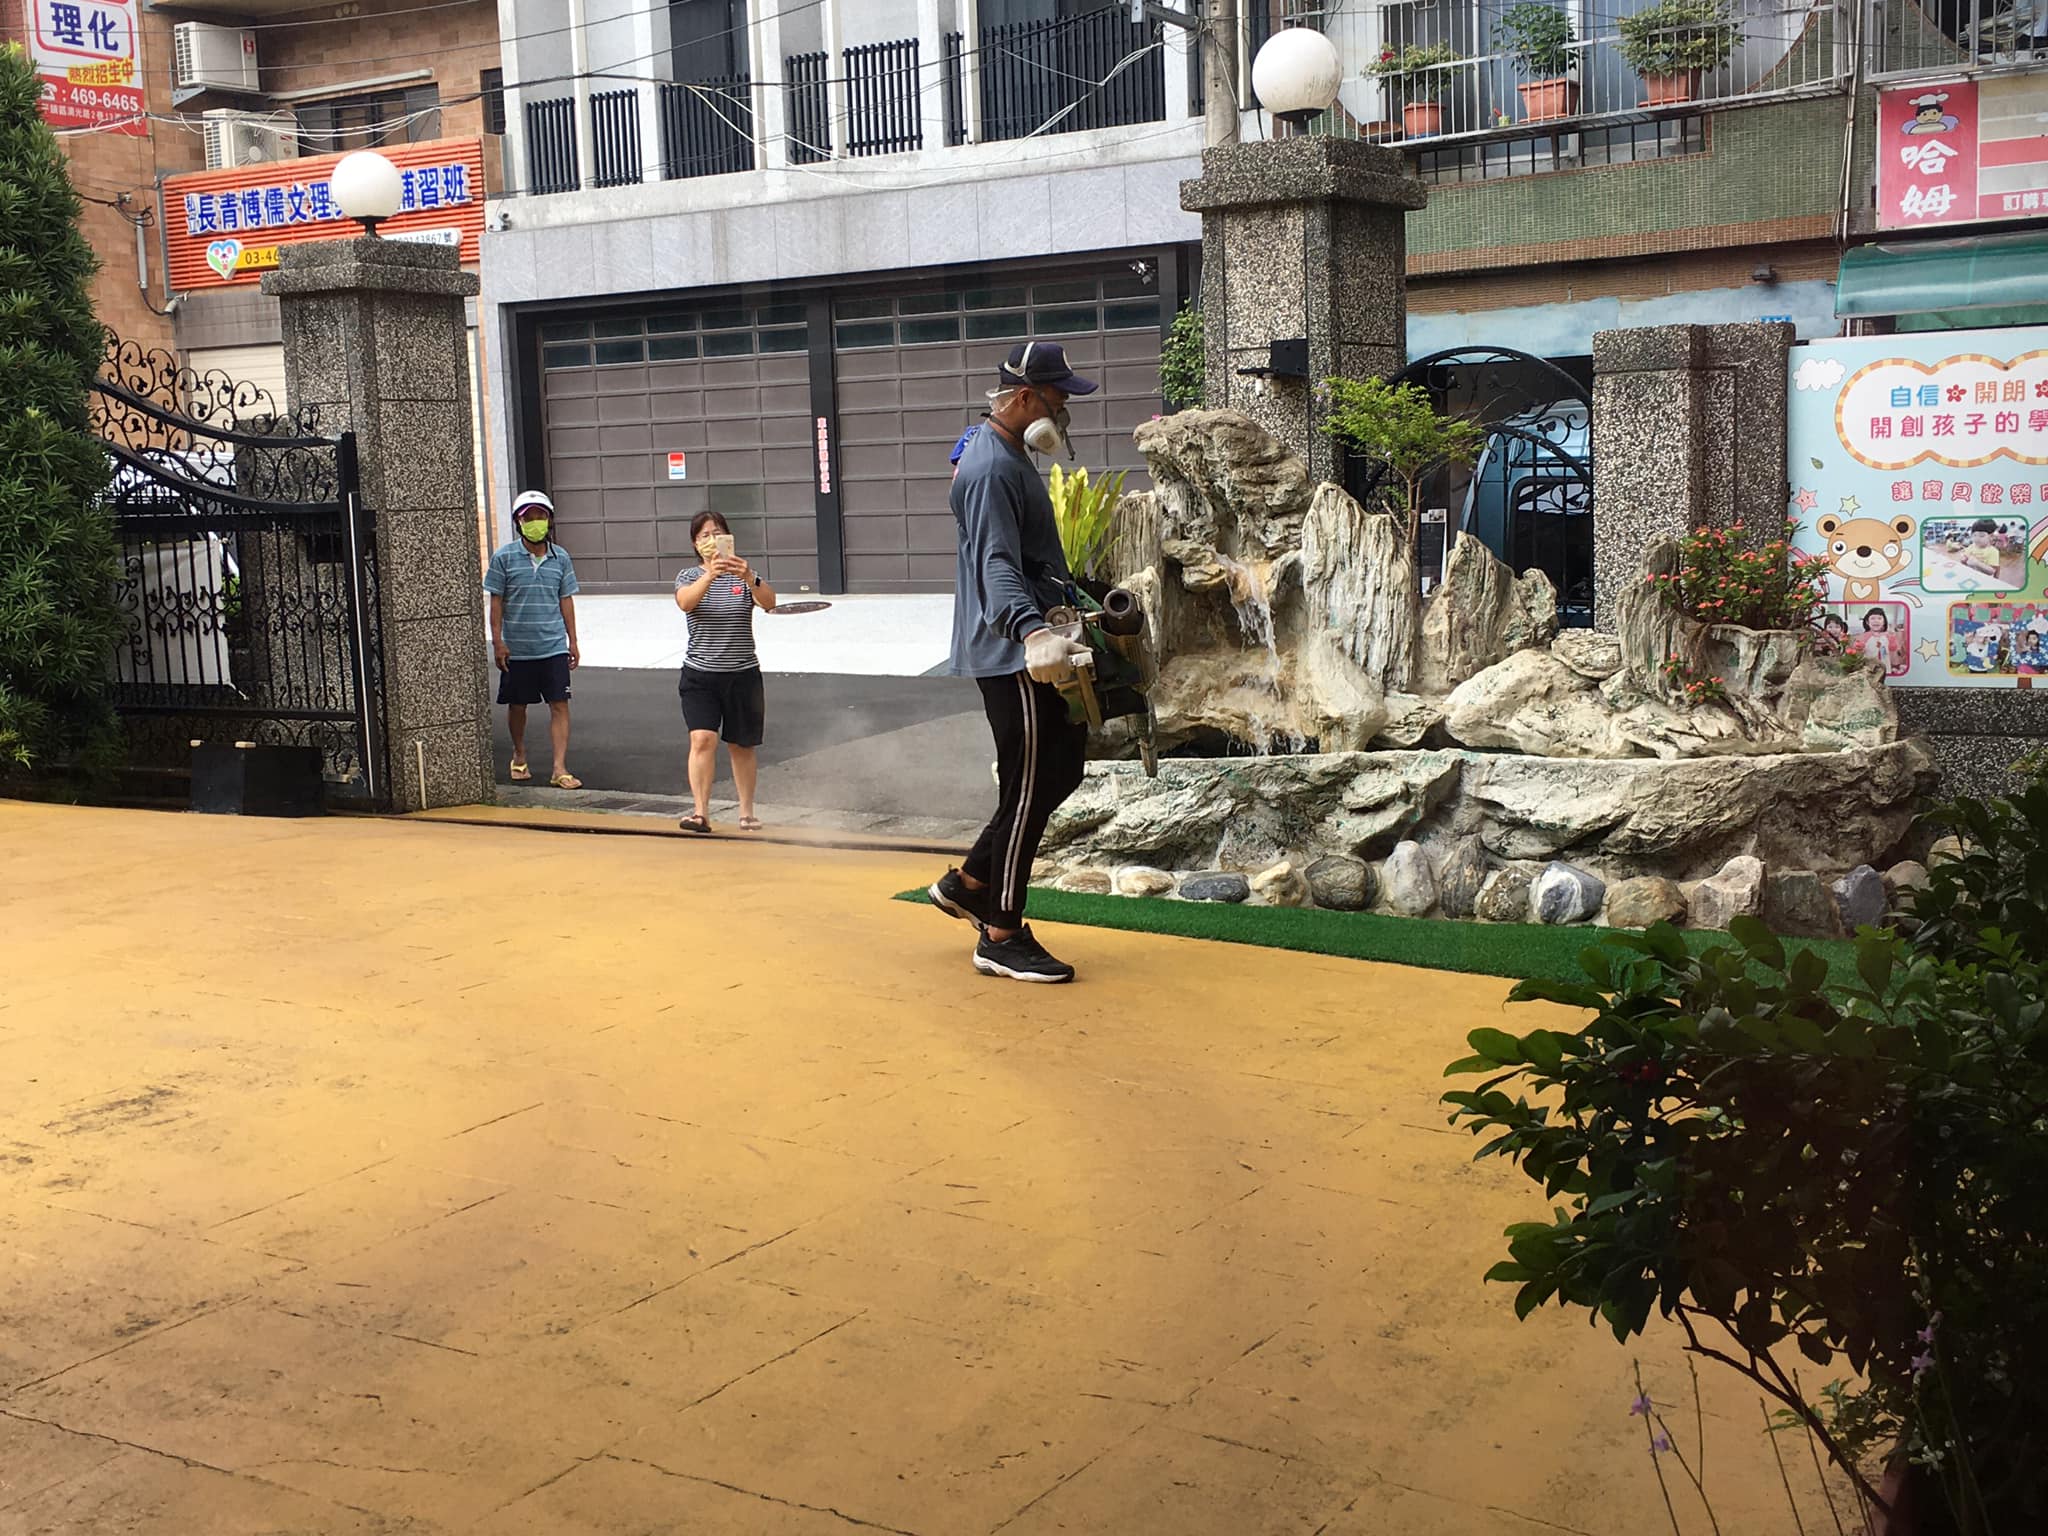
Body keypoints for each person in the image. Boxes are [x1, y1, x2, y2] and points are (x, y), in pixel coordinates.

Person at [926, 342, 1099, 984]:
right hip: (1013, 652)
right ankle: (1001, 933)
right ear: (1025, 398)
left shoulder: (1002, 452)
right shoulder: (991, 467)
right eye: (1058, 397)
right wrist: (1031, 631)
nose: (1064, 409)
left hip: (1028, 641)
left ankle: (971, 880)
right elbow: (996, 561)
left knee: (1062, 767)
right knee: (1028, 787)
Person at [673, 511, 777, 834]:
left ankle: (746, 812)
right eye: (704, 535)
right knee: (702, 738)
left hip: (742, 673)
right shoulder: (689, 575)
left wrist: (749, 576)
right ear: (695, 543)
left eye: (717, 533)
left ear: (728, 537)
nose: (711, 539)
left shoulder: (743, 575)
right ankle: (701, 813)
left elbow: (769, 602)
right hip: (700, 674)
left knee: (742, 745)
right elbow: (685, 603)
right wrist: (710, 576)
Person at [484, 489, 581, 789]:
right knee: (517, 705)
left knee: (560, 704)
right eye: (529, 517)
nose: (535, 522)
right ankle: (519, 754)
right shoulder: (503, 558)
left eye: (541, 515)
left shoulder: (561, 558)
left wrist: (573, 641)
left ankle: (559, 768)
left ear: (549, 520)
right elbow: (496, 603)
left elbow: (566, 600)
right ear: (518, 522)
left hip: (552, 646)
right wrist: (498, 642)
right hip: (518, 648)